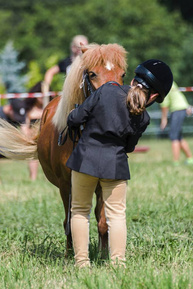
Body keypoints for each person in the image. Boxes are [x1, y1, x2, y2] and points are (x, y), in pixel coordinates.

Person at [66, 59, 173, 268]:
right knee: (117, 216)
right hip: (115, 166)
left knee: (79, 211)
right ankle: (118, 265)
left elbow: (75, 119)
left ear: (133, 79)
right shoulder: (144, 117)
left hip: (84, 160)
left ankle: (82, 264)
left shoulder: (106, 91)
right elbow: (129, 147)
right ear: (154, 96)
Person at [160, 81, 193, 166]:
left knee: (174, 136)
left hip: (177, 109)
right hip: (182, 108)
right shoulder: (169, 80)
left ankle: (175, 162)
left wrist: (164, 119)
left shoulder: (163, 84)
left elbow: (164, 104)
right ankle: (191, 158)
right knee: (178, 136)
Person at [21, 81, 50, 180]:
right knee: (33, 157)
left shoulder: (49, 108)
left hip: (47, 138)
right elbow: (25, 126)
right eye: (39, 95)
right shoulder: (29, 109)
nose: (41, 98)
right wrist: (28, 135)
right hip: (34, 139)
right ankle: (33, 178)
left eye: (43, 95)